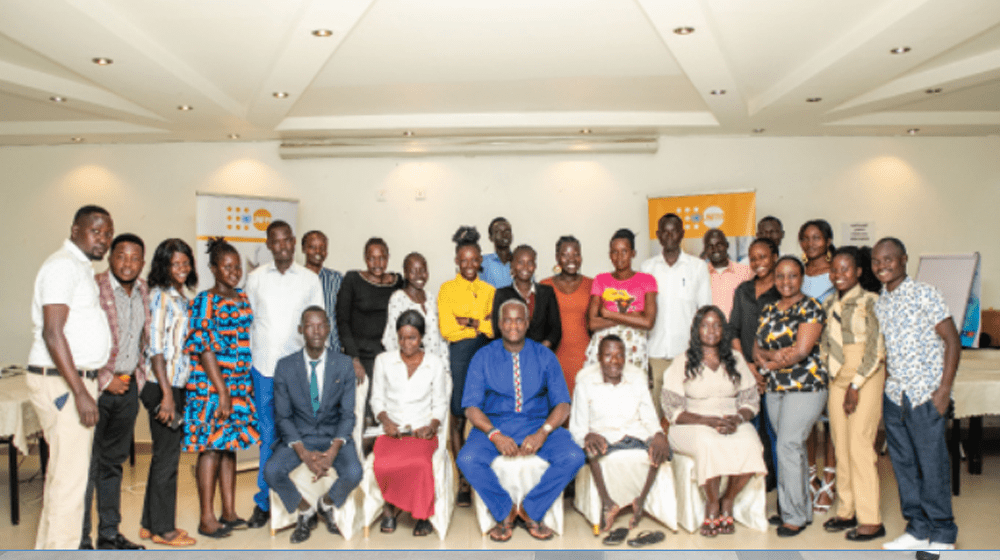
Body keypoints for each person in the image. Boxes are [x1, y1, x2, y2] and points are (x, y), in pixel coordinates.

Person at [457, 299, 585, 542]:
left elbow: (562, 404)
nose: (513, 325)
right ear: (499, 323)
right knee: (467, 459)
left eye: (518, 320)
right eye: (507, 319)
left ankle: (530, 510)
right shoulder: (482, 356)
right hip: (493, 425)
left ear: (527, 323)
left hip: (537, 424)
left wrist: (543, 432)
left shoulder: (545, 355)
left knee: (573, 457)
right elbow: (471, 408)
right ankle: (505, 512)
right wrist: (495, 435)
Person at [26, 205, 113, 549]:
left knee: (61, 479)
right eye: (96, 231)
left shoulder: (79, 268)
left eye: (107, 232)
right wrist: (79, 391)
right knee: (70, 484)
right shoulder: (63, 266)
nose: (103, 239)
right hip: (65, 383)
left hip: (72, 380)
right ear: (75, 230)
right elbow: (53, 333)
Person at [873, 237, 960, 552]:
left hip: (925, 395)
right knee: (904, 466)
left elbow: (952, 341)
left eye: (889, 259)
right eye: (877, 261)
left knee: (932, 465)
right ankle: (918, 528)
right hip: (896, 397)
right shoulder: (880, 302)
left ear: (904, 259)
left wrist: (944, 391)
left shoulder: (926, 294)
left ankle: (943, 533)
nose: (883, 265)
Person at [244, 220, 324, 529]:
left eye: (286, 241)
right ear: (269, 245)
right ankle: (264, 504)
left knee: (304, 437)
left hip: (298, 373)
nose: (281, 247)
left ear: (293, 242)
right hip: (263, 370)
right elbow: (248, 323)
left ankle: (308, 503)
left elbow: (317, 327)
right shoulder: (255, 279)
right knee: (268, 439)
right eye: (275, 242)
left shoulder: (308, 279)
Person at [264, 306, 363, 544]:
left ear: (328, 329)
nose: (316, 331)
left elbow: (348, 414)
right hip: (300, 435)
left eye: (321, 325)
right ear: (301, 330)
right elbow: (283, 417)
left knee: (354, 472)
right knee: (271, 470)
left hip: (333, 435)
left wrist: (333, 451)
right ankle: (305, 510)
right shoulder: (285, 367)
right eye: (310, 325)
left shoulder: (343, 364)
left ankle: (326, 503)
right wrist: (303, 453)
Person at [664, 306, 766, 536]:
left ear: (723, 330)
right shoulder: (682, 361)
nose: (711, 330)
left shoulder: (737, 359)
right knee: (708, 443)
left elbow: (751, 400)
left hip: (731, 420)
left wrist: (738, 418)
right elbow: (672, 410)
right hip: (691, 424)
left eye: (717, 325)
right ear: (696, 329)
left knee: (752, 443)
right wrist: (707, 421)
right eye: (705, 325)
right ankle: (712, 503)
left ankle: (727, 499)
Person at [183, 238, 260, 539]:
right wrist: (222, 391)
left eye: (237, 266)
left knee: (230, 448)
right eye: (226, 267)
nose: (234, 272)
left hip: (240, 384)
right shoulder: (205, 301)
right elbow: (203, 348)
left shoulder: (243, 297)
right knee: (211, 447)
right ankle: (206, 517)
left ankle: (229, 511)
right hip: (212, 387)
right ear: (213, 268)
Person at [82, 234, 150, 550]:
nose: (128, 263)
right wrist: (104, 378)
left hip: (127, 391)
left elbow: (143, 340)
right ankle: (80, 540)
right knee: (86, 467)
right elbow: (75, 338)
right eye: (121, 256)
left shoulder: (144, 291)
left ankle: (109, 534)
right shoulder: (92, 286)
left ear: (142, 262)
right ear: (110, 257)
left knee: (112, 465)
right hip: (94, 390)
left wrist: (136, 378)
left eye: (135, 257)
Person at [755, 256, 828, 537]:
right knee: (790, 448)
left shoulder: (812, 306)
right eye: (781, 276)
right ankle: (795, 509)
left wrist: (770, 361)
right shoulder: (769, 308)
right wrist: (770, 357)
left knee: (787, 444)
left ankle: (794, 516)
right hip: (776, 387)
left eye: (793, 276)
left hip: (806, 385)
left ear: (802, 278)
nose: (786, 282)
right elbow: (757, 347)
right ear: (775, 279)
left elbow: (801, 351)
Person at [819, 246, 887, 542]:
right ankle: (847, 510)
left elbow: (875, 348)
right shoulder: (828, 302)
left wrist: (856, 385)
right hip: (837, 376)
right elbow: (824, 342)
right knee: (841, 445)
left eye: (845, 269)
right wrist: (828, 369)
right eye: (834, 269)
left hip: (866, 374)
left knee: (860, 444)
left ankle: (871, 518)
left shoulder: (872, 302)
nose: (838, 275)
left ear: (859, 272)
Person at [569, 335, 669, 532]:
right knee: (591, 450)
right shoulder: (585, 383)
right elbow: (577, 428)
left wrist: (658, 433)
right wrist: (587, 435)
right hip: (605, 437)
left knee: (660, 449)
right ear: (598, 358)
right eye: (608, 355)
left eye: (619, 355)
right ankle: (608, 503)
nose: (614, 360)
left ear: (626, 358)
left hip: (635, 435)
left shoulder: (637, 380)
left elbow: (649, 417)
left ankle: (640, 501)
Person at [138, 238, 198, 546]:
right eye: (176, 263)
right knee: (168, 460)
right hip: (163, 386)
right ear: (164, 266)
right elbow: (157, 350)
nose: (183, 268)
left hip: (174, 385)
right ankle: (164, 530)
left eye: (186, 262)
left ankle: (149, 523)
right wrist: (166, 396)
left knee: (162, 455)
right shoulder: (160, 297)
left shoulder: (180, 296)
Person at [371, 310, 450, 537]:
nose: (406, 343)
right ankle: (390, 504)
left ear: (422, 337)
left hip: (421, 430)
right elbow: (376, 398)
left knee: (420, 464)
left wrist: (432, 426)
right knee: (383, 463)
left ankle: (421, 513)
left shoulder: (434, 363)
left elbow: (440, 403)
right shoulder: (383, 360)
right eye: (402, 338)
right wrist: (386, 421)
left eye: (412, 338)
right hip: (392, 430)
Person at [438, 226, 495, 506]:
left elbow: (494, 328)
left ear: (480, 260)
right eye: (464, 260)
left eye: (474, 260)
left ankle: (485, 470)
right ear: (457, 262)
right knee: (459, 416)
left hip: (486, 355)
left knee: (485, 413)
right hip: (460, 355)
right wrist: (480, 324)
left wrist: (469, 321)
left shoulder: (490, 290)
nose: (469, 265)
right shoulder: (447, 289)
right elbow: (448, 329)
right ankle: (463, 480)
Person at [641, 213, 712, 422]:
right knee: (652, 419)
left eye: (674, 231)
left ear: (682, 234)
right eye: (665, 231)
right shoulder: (647, 268)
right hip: (655, 355)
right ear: (658, 235)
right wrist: (644, 361)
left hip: (687, 355)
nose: (669, 235)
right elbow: (642, 315)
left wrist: (701, 356)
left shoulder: (697, 267)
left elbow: (705, 313)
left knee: (686, 418)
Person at [727, 238, 781, 490]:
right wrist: (749, 367)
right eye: (753, 258)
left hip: (777, 372)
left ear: (775, 257)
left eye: (763, 256)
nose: (758, 262)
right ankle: (755, 483)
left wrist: (764, 369)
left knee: (774, 431)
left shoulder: (784, 291)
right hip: (746, 370)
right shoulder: (743, 290)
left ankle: (778, 482)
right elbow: (733, 330)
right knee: (751, 429)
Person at [336, 237, 404, 418]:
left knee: (391, 408)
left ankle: (381, 445)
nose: (377, 263)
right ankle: (364, 445)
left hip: (388, 354)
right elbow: (342, 320)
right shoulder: (352, 279)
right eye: (372, 258)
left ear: (388, 257)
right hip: (361, 355)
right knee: (366, 409)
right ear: (365, 259)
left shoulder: (397, 282)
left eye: (382, 257)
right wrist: (354, 359)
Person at [798, 219, 837, 512]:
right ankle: (810, 475)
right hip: (802, 355)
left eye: (817, 238)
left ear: (827, 241)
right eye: (806, 238)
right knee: (808, 419)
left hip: (830, 352)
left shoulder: (837, 271)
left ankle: (829, 481)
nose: (811, 244)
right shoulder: (798, 272)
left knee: (832, 419)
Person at [586, 228, 657, 373]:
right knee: (601, 391)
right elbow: (592, 324)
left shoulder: (647, 280)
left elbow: (648, 322)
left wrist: (608, 313)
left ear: (633, 253)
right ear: (609, 254)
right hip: (604, 347)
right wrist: (633, 316)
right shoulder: (601, 279)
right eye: (614, 252)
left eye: (624, 251)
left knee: (632, 391)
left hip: (634, 348)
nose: (619, 257)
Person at [541, 235, 593, 396]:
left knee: (583, 407)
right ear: (557, 257)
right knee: (557, 406)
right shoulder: (544, 286)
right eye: (565, 255)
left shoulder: (592, 285)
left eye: (576, 254)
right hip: (554, 357)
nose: (572, 259)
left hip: (585, 358)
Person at [380, 252, 450, 371]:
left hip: (434, 367)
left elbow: (440, 338)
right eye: (413, 271)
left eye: (423, 270)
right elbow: (391, 339)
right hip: (411, 369)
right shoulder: (398, 298)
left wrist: (445, 369)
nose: (419, 276)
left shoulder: (431, 297)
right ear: (406, 274)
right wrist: (402, 370)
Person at [492, 244, 561, 350]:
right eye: (520, 262)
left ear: (535, 266)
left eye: (530, 263)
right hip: (510, 356)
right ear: (512, 265)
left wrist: (540, 350)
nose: (525, 267)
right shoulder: (502, 294)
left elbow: (555, 329)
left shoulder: (547, 292)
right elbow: (497, 330)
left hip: (541, 356)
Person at [302, 230, 344, 352]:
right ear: (303, 249)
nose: (318, 252)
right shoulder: (294, 278)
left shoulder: (336, 278)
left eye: (322, 248)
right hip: (301, 349)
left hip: (332, 348)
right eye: (312, 247)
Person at [703, 228, 753, 319]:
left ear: (727, 245)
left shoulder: (746, 271)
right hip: (710, 330)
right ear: (705, 250)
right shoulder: (700, 274)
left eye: (719, 245)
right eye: (710, 246)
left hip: (738, 331)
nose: (715, 249)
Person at [481, 217, 514, 289]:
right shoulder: (482, 262)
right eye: (498, 232)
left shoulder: (521, 261)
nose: (504, 235)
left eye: (507, 231)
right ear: (491, 238)